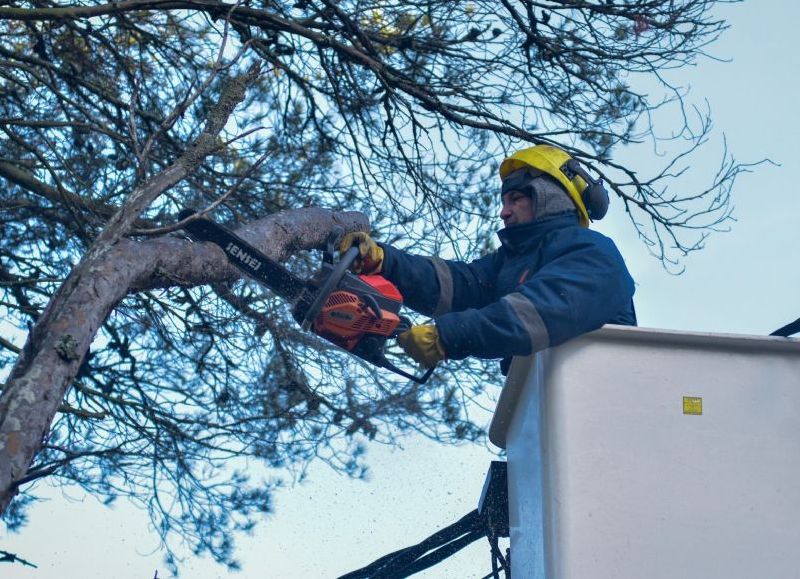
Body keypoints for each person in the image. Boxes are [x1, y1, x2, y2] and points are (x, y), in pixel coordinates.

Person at [340, 144, 637, 374]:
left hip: (605, 404)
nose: (503, 212)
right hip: (548, 409)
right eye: (504, 202)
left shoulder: (593, 252)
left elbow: (540, 311)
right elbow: (458, 285)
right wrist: (386, 262)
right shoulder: (510, 263)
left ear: (549, 197)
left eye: (516, 199)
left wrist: (447, 335)